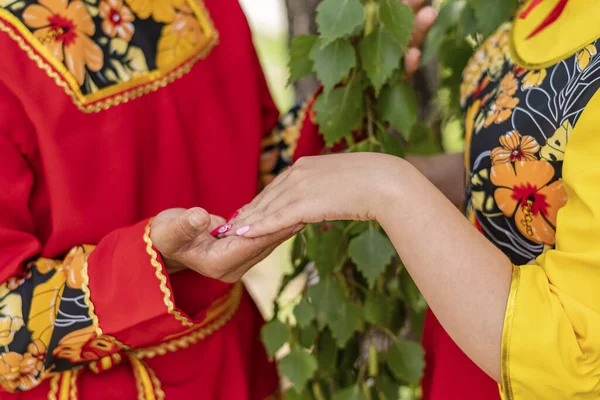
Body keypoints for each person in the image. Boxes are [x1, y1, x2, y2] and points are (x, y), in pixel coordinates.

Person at [0, 0, 435, 398]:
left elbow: (255, 159)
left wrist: (349, 89)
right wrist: (150, 264)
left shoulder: (207, 5)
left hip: (232, 367)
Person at [226, 0, 600, 398]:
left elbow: (575, 363)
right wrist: (424, 173)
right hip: (469, 349)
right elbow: (548, 160)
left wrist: (389, 188)